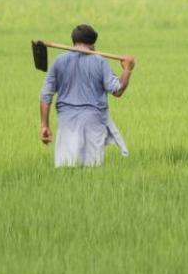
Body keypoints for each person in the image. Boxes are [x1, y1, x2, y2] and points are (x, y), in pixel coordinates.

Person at [39, 24, 136, 167]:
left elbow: (45, 95)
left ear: (74, 41)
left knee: (66, 166)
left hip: (66, 121)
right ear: (93, 43)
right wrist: (127, 69)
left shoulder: (59, 61)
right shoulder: (100, 61)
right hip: (93, 121)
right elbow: (117, 90)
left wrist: (44, 125)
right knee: (92, 168)